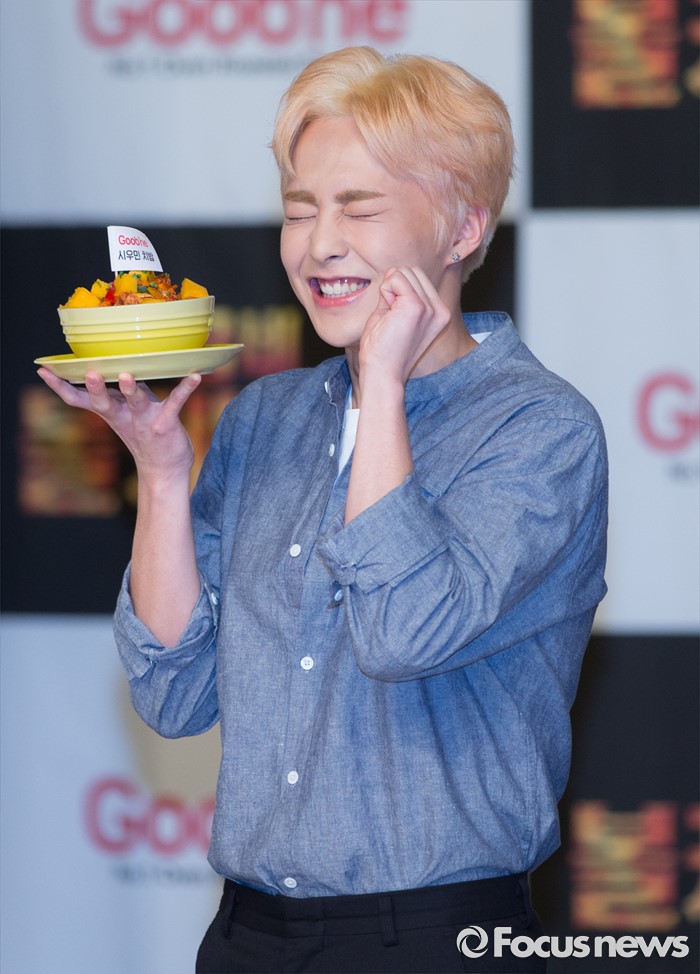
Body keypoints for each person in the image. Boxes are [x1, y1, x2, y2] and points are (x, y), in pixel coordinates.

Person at [39, 46, 608, 974]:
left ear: (464, 227)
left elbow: (401, 631)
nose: (319, 244)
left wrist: (382, 387)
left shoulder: (540, 428)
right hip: (248, 937)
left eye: (359, 208)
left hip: (436, 940)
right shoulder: (265, 418)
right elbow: (174, 696)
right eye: (300, 209)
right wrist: (163, 475)